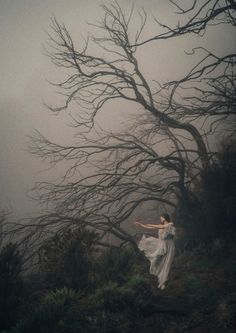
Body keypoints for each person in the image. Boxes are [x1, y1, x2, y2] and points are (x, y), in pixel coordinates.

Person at [133, 213, 176, 290]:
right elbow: (149, 227)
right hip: (161, 244)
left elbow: (161, 226)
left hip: (169, 246)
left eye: (161, 217)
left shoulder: (170, 224)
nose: (160, 219)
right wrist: (141, 224)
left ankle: (163, 281)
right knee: (155, 259)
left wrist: (152, 225)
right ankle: (159, 278)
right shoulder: (161, 226)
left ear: (164, 218)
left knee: (166, 263)